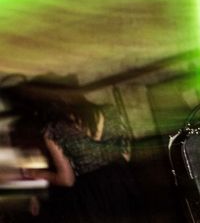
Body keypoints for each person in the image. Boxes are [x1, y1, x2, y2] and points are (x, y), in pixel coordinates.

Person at [21, 89, 144, 223]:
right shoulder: (109, 111)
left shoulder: (54, 130)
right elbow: (126, 154)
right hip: (123, 183)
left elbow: (67, 180)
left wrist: (36, 174)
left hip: (94, 194)